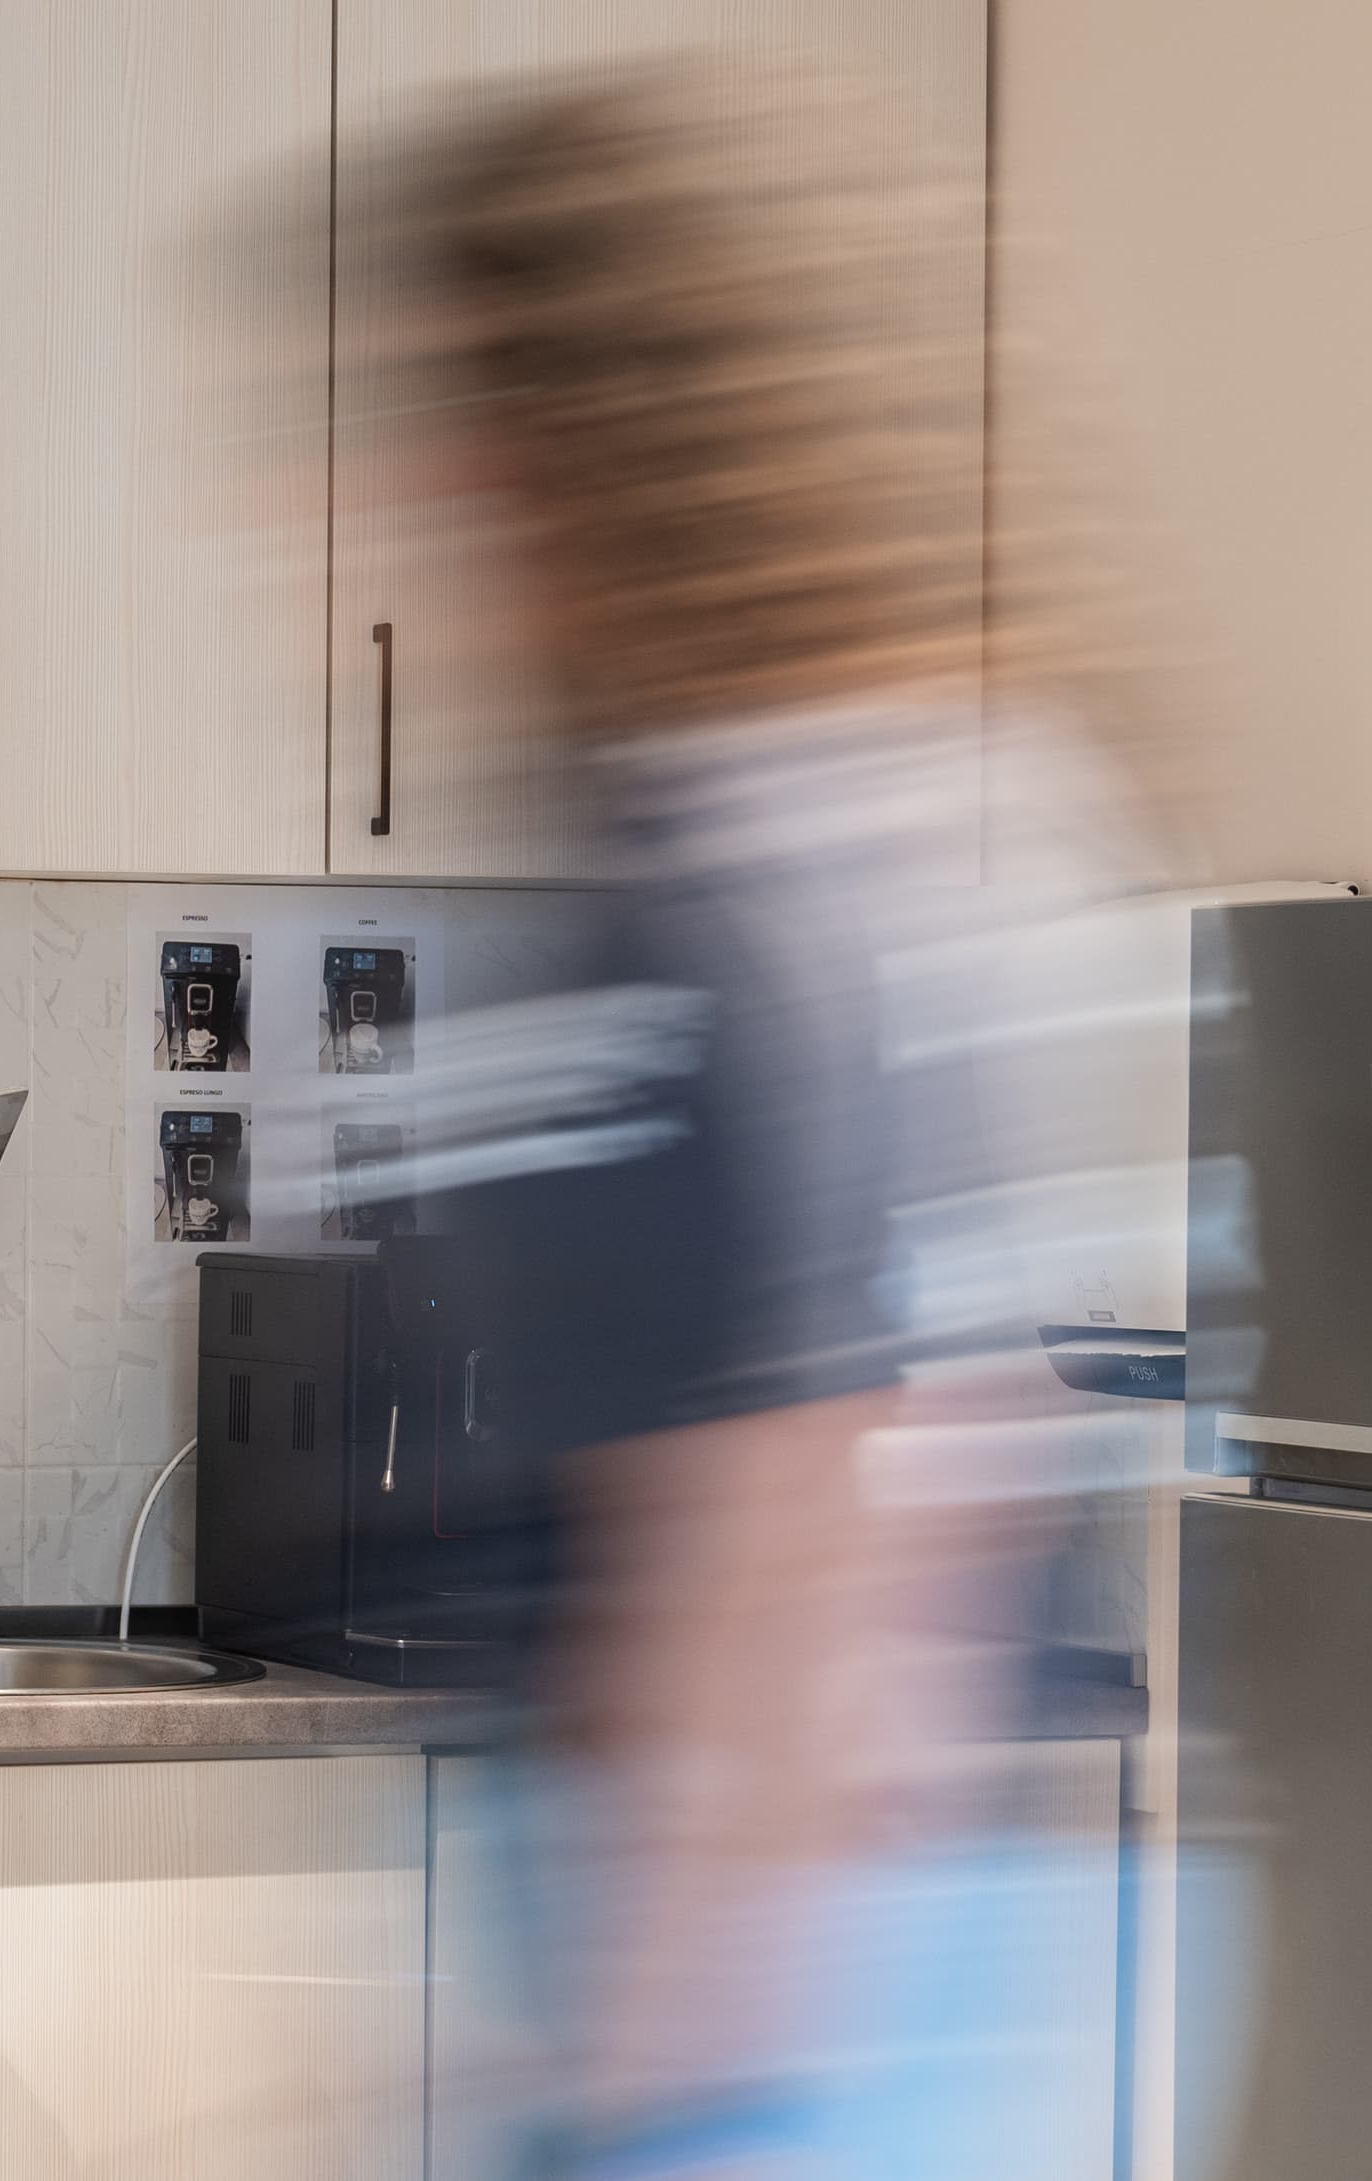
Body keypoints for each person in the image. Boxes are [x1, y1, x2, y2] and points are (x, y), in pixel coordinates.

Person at [328, 70, 1168, 2181]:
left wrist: (637, 2079)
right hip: (936, 1961)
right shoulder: (960, 796)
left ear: (543, 457)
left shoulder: (705, 875)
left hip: (745, 2011)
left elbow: (808, 1512)